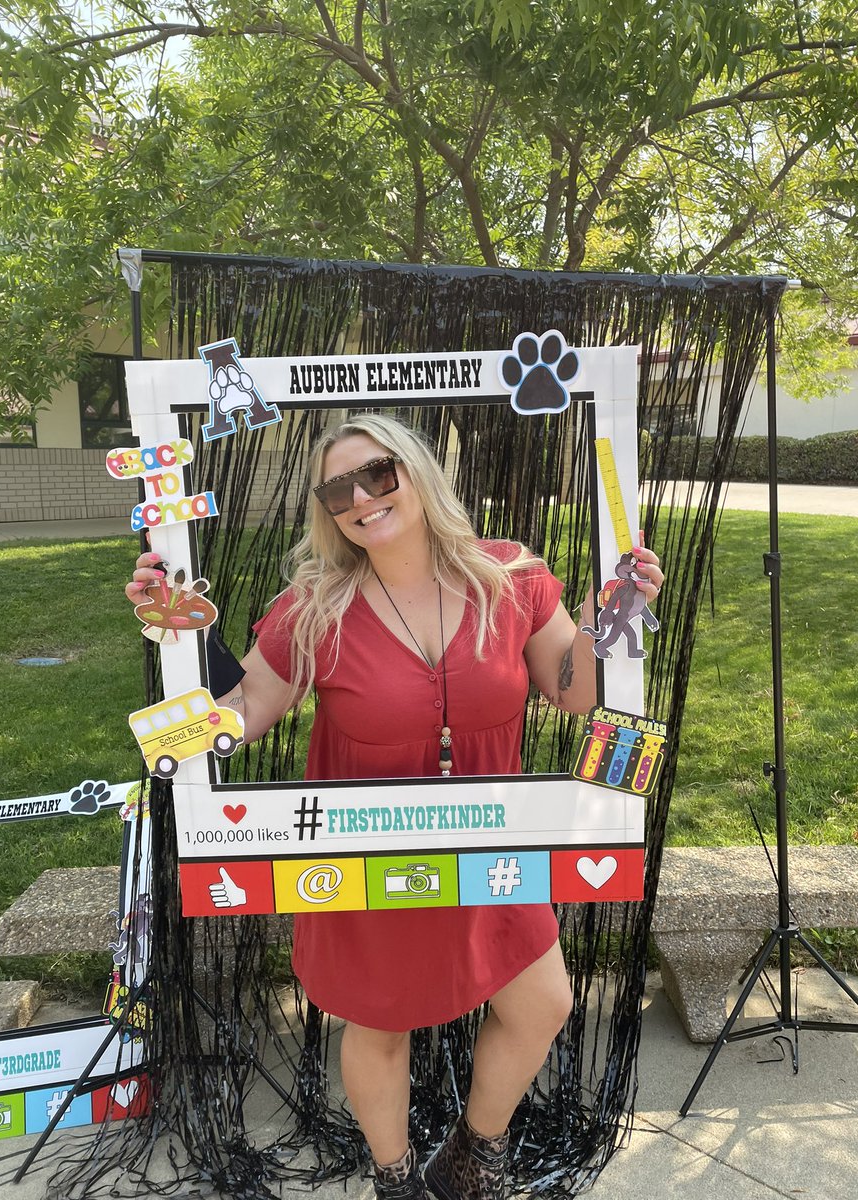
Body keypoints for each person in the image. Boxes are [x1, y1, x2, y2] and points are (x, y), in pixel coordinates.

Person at [126, 413, 663, 1200]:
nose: (361, 498)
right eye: (338, 488)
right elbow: (248, 704)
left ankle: (472, 1155)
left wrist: (607, 613)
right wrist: (175, 644)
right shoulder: (315, 605)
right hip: (368, 850)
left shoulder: (508, 576)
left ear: (416, 471)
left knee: (543, 1001)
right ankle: (395, 1178)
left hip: (494, 843)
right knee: (378, 1024)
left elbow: (575, 690)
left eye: (378, 473)